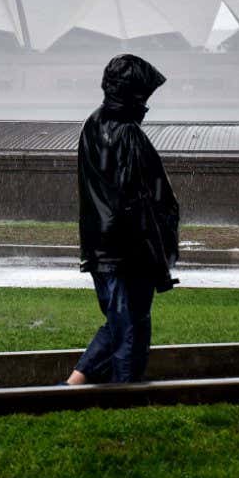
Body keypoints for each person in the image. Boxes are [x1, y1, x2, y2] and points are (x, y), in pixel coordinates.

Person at [64, 54, 179, 385]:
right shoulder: (128, 135)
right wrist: (158, 256)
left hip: (102, 247)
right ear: (133, 95)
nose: (146, 107)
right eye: (143, 98)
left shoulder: (93, 124)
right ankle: (123, 397)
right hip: (130, 251)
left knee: (119, 323)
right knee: (132, 330)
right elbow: (140, 202)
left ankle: (73, 385)